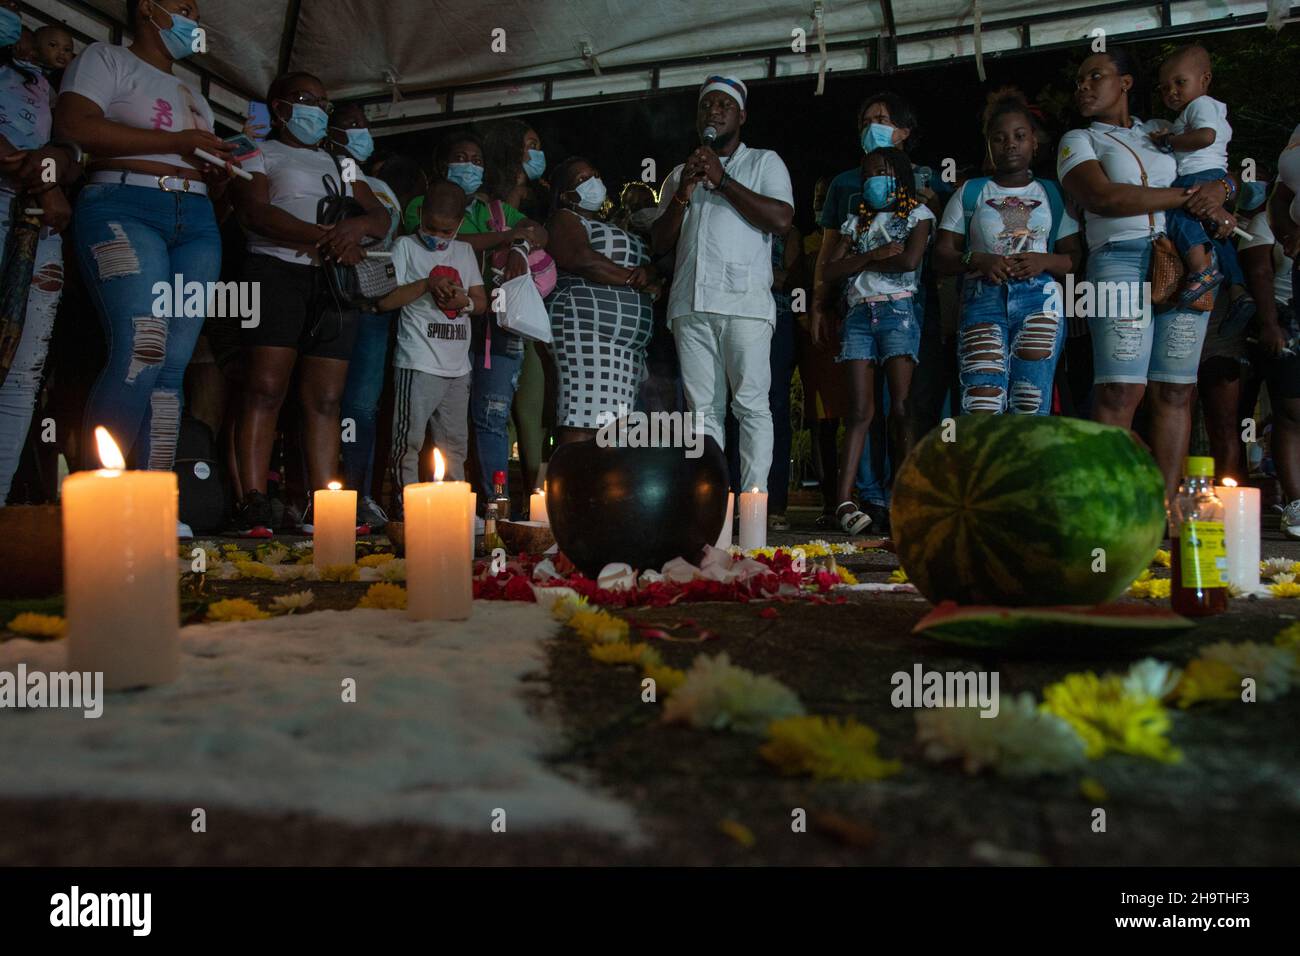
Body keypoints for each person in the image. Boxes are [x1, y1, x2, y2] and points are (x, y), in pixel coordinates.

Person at [54, 0, 238, 537]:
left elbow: (189, 155)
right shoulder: (104, 59)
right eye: (181, 6)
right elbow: (76, 125)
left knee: (173, 363)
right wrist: (179, 143)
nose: (193, 20)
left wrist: (220, 168)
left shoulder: (196, 94)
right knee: (141, 345)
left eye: (197, 11)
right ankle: (102, 504)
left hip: (197, 219)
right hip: (123, 205)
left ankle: (153, 506)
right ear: (146, 10)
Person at [1057, 46, 1236, 500]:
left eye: (1094, 76)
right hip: (1116, 258)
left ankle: (1163, 509)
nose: (1083, 86)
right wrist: (1187, 199)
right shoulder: (1078, 140)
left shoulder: (1162, 131)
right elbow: (1105, 198)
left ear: (1125, 83)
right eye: (1079, 80)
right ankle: (1107, 506)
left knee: (1176, 391)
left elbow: (1225, 172)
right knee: (1119, 390)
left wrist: (1224, 187)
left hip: (1180, 257)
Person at [228, 71, 390, 536]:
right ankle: (253, 501)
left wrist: (354, 230)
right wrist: (328, 236)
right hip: (275, 272)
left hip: (333, 283)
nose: (317, 109)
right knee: (264, 388)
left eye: (323, 100)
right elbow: (255, 211)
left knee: (326, 397)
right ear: (278, 107)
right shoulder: (253, 149)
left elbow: (379, 215)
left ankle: (327, 503)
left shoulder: (340, 163)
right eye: (305, 99)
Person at [651, 75, 794, 494]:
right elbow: (660, 243)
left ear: (741, 116)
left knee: (750, 406)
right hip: (690, 306)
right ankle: (710, 509)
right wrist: (684, 191)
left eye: (723, 105)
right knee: (700, 413)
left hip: (745, 304)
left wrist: (723, 180)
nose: (713, 111)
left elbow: (781, 220)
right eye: (706, 106)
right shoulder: (680, 174)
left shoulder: (765, 162)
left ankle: (752, 509)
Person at [934, 89, 1082, 415]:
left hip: (1040, 302)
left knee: (1030, 402)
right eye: (999, 138)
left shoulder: (1052, 193)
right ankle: (986, 467)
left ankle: (1024, 468)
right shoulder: (970, 192)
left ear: (1034, 142)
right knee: (981, 403)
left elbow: (1074, 257)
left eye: (1019, 136)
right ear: (989, 146)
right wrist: (977, 259)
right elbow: (941, 255)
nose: (1010, 144)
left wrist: (1043, 261)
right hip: (982, 300)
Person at [434, 128, 548, 513]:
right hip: (443, 326)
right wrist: (504, 239)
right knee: (445, 417)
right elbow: (448, 239)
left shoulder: (496, 211)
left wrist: (519, 242)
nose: (470, 166)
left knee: (492, 415)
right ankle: (446, 504)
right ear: (443, 165)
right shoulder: (426, 203)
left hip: (495, 329)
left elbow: (539, 231)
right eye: (462, 158)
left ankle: (495, 506)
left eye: (477, 160)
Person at [821, 147, 933, 534]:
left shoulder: (918, 215)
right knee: (859, 412)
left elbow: (909, 262)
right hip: (858, 316)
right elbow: (830, 270)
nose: (874, 179)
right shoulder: (855, 221)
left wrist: (862, 260)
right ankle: (844, 501)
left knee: (901, 407)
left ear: (899, 175)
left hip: (898, 312)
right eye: (868, 173)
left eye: (882, 172)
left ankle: (905, 497)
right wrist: (875, 255)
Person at [0, 6, 77, 505]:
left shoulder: (40, 85)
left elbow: (69, 150)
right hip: (27, 197)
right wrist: (37, 173)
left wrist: (51, 175)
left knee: (23, 370)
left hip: (35, 218)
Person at [378, 180, 484, 509]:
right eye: (431, 228)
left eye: (447, 231)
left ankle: (454, 510)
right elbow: (384, 300)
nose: (438, 237)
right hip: (418, 360)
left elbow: (481, 301)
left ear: (459, 225)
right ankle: (406, 504)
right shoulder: (405, 248)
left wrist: (465, 301)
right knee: (408, 439)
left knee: (455, 444)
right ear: (420, 215)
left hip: (457, 367)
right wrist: (426, 284)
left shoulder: (464, 251)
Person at [545, 156, 657, 442]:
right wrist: (634, 279)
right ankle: (570, 485)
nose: (593, 181)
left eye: (594, 173)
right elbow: (580, 259)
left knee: (612, 431)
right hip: (584, 334)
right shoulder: (565, 218)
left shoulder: (614, 225)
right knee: (581, 419)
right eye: (582, 179)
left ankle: (597, 486)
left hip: (625, 349)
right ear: (566, 194)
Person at [329, 101, 401, 529]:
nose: (359, 131)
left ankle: (359, 497)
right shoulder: (322, 172)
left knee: (362, 405)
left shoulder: (378, 187)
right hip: (329, 302)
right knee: (322, 402)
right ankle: (317, 494)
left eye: (364, 124)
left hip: (372, 307)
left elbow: (386, 231)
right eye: (348, 125)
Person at [480, 118, 550, 498]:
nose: (538, 154)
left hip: (532, 324)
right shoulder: (483, 210)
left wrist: (522, 244)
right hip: (494, 324)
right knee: (497, 416)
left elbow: (540, 234)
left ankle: (535, 505)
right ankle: (496, 501)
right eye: (531, 144)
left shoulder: (536, 209)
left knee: (531, 416)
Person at [1148, 44, 1245, 312]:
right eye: (1165, 88)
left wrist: (1169, 141)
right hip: (1211, 174)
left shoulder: (1200, 105)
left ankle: (1201, 271)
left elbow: (1206, 137)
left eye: (1180, 82)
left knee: (1178, 215)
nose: (1172, 92)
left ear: (1205, 79)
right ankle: (1238, 288)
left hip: (1198, 175)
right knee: (1216, 232)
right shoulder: (1202, 109)